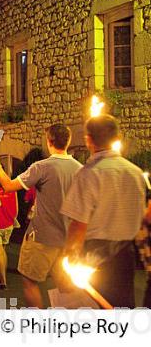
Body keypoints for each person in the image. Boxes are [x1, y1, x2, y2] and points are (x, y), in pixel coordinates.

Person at [61, 114, 146, 308]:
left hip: (95, 255)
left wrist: (69, 257)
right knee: (122, 307)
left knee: (94, 310)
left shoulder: (89, 174)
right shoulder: (135, 172)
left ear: (88, 139)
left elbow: (79, 223)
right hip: (126, 253)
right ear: (117, 138)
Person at [0, 124, 81, 308]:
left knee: (30, 282)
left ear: (49, 142)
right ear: (68, 141)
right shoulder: (80, 169)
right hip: (68, 239)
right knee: (65, 287)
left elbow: (8, 186)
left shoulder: (42, 167)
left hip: (42, 237)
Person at [0, 171, 18, 289]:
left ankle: (3, 282)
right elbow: (16, 208)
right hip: (9, 224)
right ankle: (3, 276)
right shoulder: (12, 189)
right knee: (3, 251)